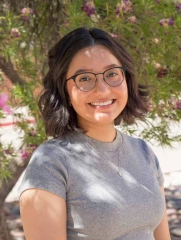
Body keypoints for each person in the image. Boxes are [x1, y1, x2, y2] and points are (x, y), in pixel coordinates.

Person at [18, 27, 171, 240]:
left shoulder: (143, 152)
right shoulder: (50, 164)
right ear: (65, 90)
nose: (102, 89)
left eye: (112, 74)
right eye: (85, 79)